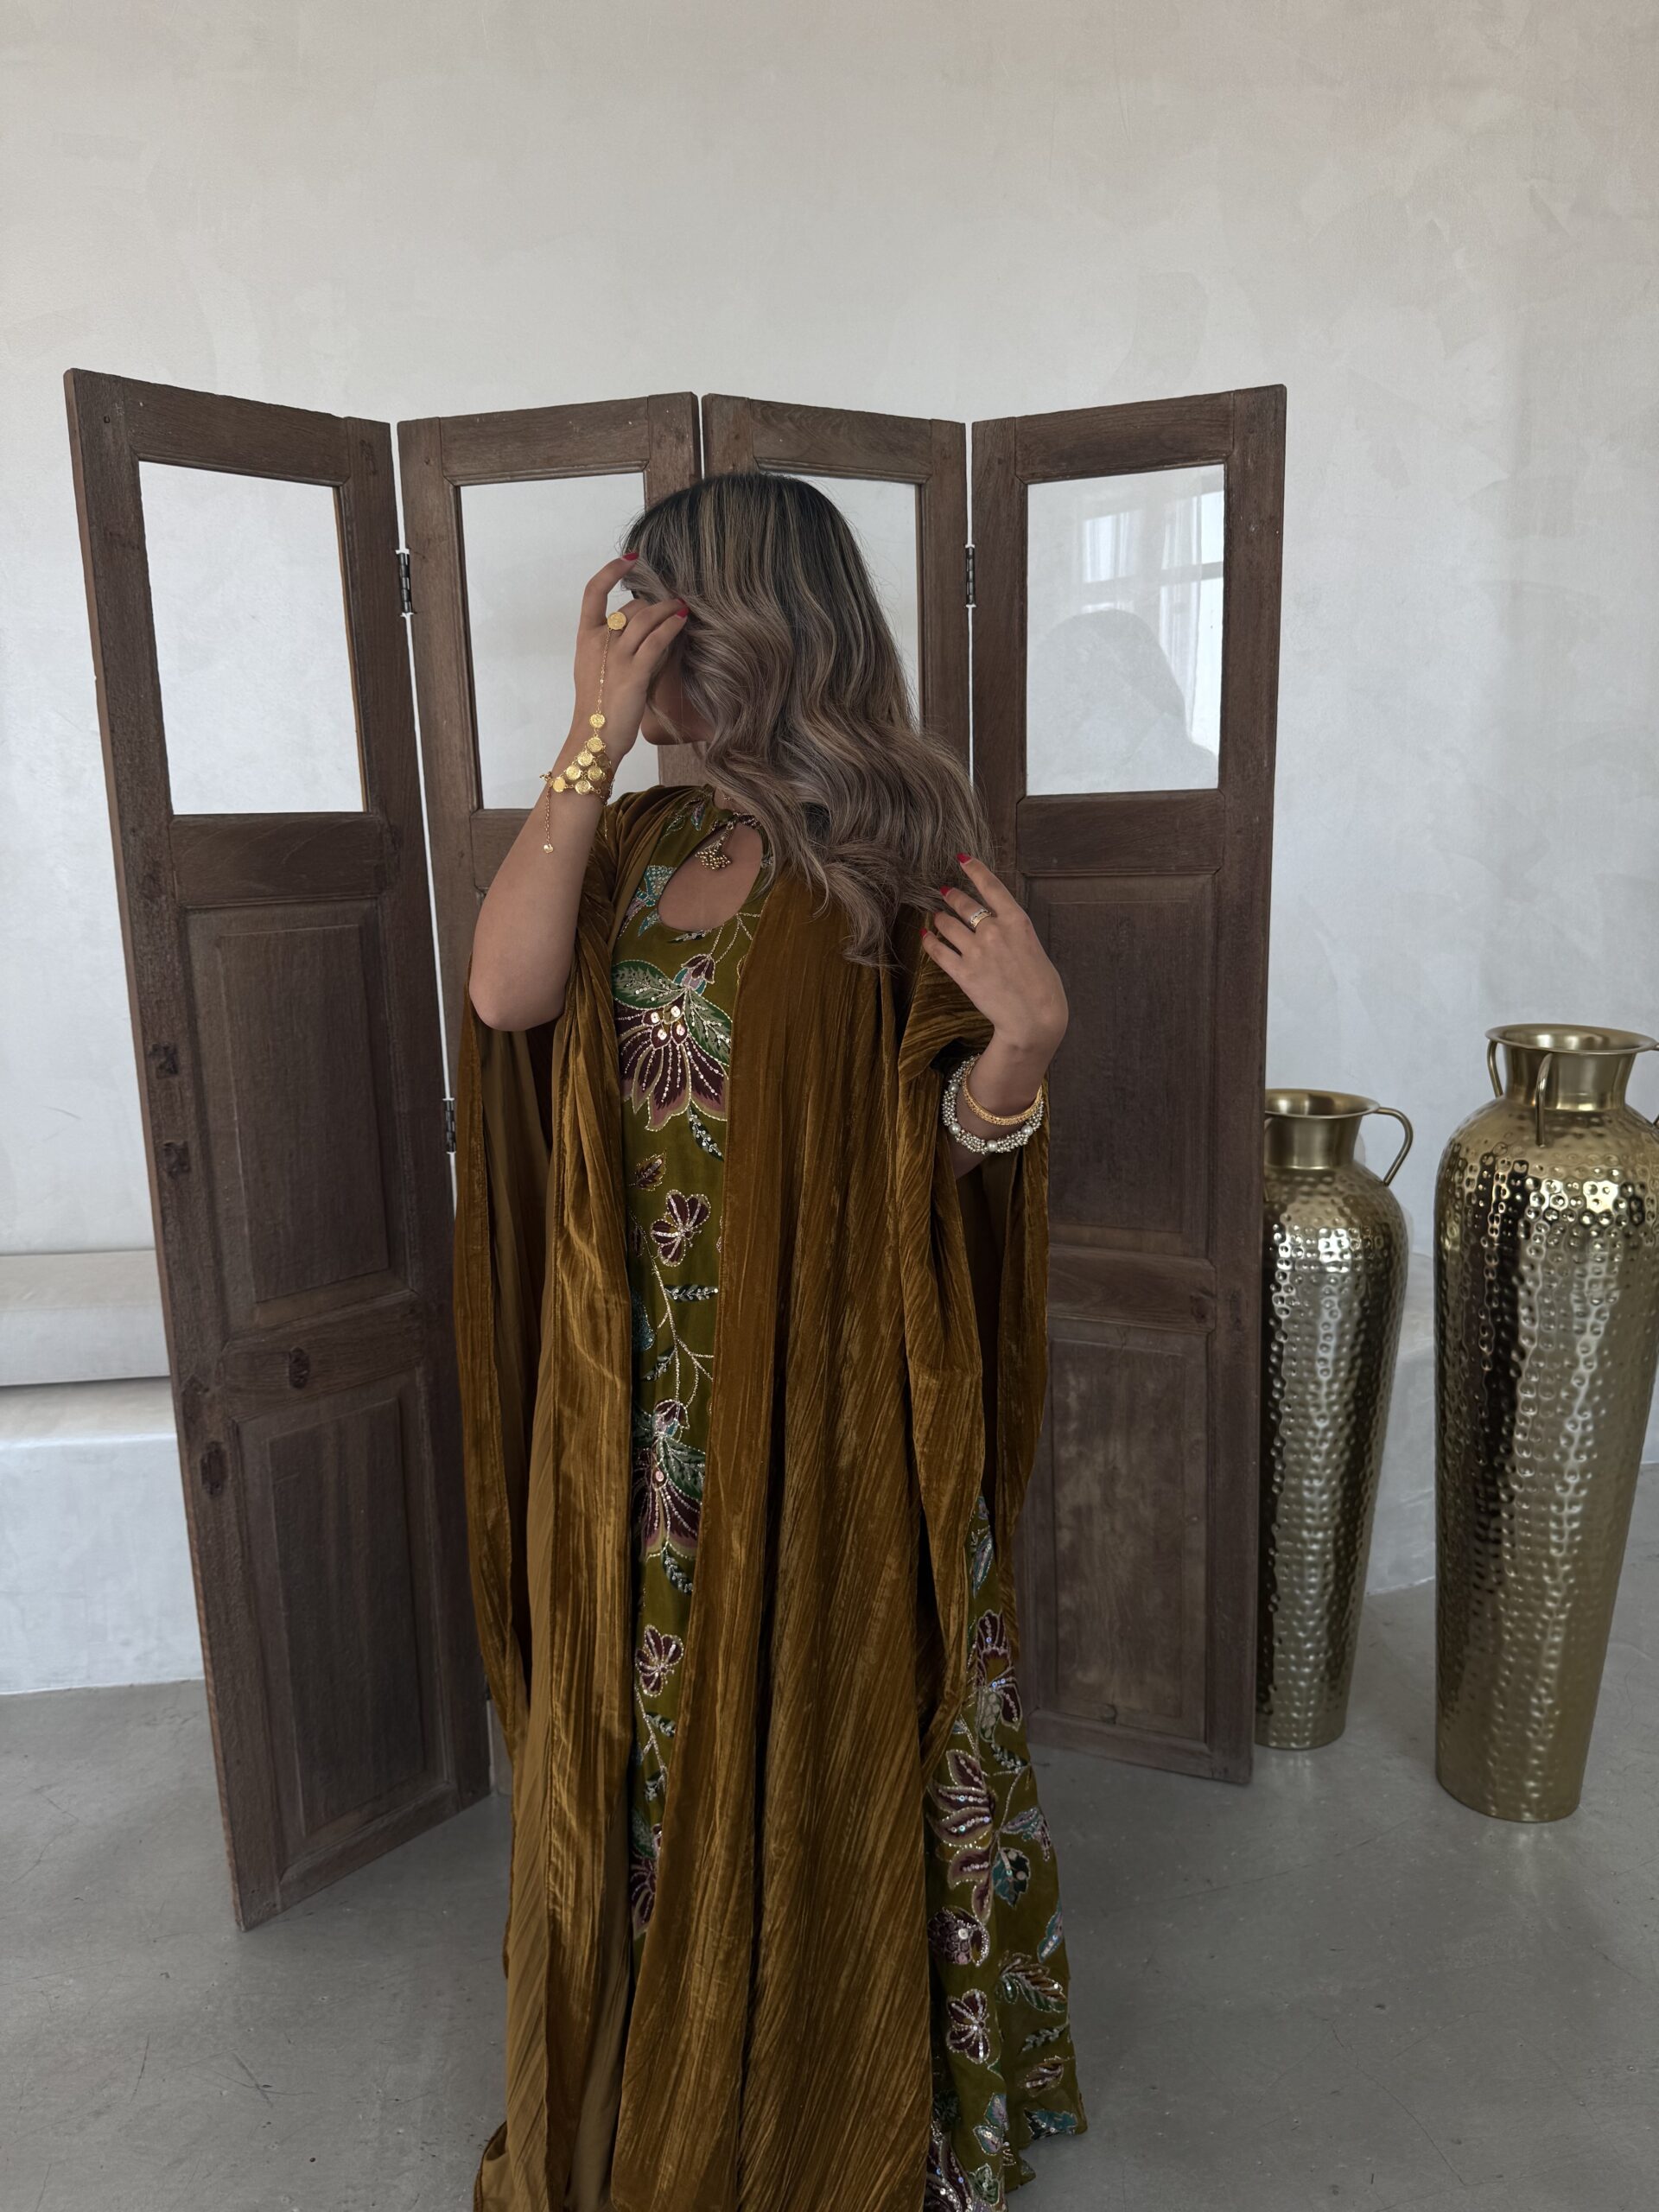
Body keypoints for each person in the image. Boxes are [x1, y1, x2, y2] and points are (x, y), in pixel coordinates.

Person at [454, 472, 1085, 2212]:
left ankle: (824, 2066)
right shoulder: (640, 841)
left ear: (737, 627)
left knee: (821, 1723)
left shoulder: (897, 854)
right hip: (636, 1395)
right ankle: (670, 2042)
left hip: (821, 1393)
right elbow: (507, 993)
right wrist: (588, 739)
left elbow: (937, 1162)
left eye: (646, 609)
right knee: (650, 1742)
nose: (621, 637)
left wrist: (1023, 1051)